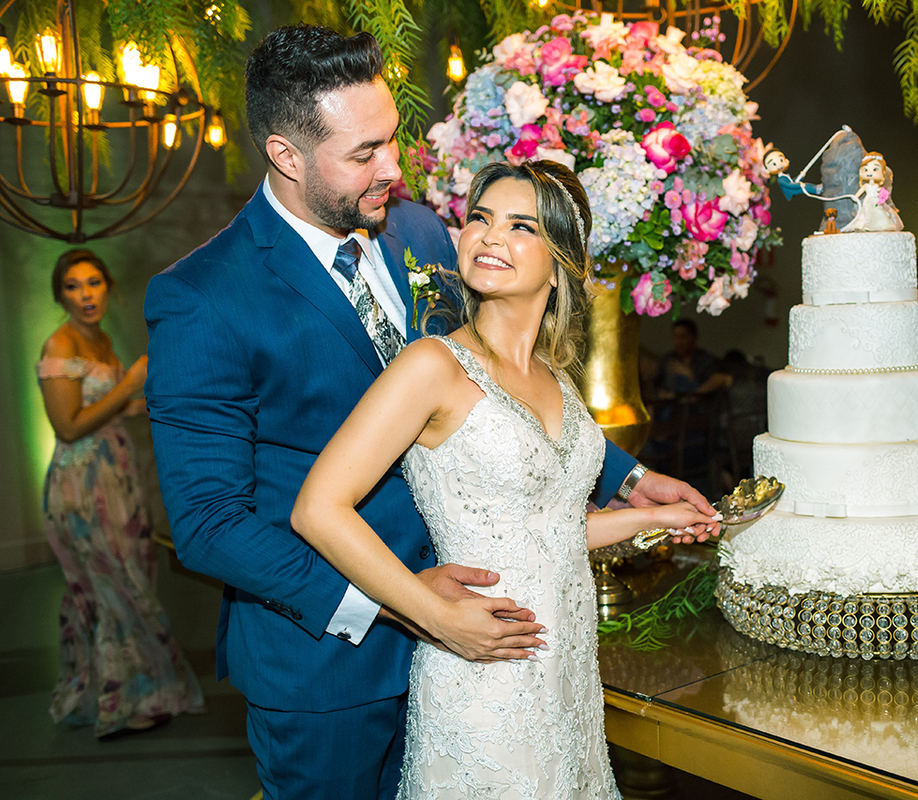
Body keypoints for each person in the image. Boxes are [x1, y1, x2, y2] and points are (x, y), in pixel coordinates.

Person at [144, 26, 714, 800]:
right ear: (286, 156)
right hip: (328, 664)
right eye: (364, 153)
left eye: (392, 141)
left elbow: (492, 388)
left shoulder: (413, 230)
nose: (395, 169)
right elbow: (208, 522)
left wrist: (628, 475)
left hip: (476, 651)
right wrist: (405, 606)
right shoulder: (203, 297)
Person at [292, 160, 717, 798]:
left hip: (567, 675)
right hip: (481, 676)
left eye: (521, 226)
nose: (490, 237)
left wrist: (654, 518)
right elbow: (319, 509)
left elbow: (545, 529)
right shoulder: (433, 365)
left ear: (562, 263)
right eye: (480, 219)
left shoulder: (561, 384)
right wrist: (435, 615)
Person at [38, 249, 204, 738]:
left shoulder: (100, 339)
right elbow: (67, 428)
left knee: (131, 576)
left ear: (107, 287)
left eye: (94, 283)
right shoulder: (58, 346)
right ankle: (123, 699)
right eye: (73, 286)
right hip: (81, 487)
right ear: (60, 294)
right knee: (109, 584)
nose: (86, 295)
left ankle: (133, 690)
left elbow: (107, 411)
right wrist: (129, 382)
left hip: (116, 474)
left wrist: (146, 403)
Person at [841, 152, 903, 232]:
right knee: (865, 213)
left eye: (875, 169)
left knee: (879, 213)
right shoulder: (866, 186)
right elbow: (858, 194)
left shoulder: (877, 187)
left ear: (883, 173)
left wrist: (882, 197)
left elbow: (883, 194)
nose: (869, 172)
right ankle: (864, 226)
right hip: (867, 201)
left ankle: (880, 225)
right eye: (866, 170)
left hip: (876, 202)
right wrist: (855, 197)